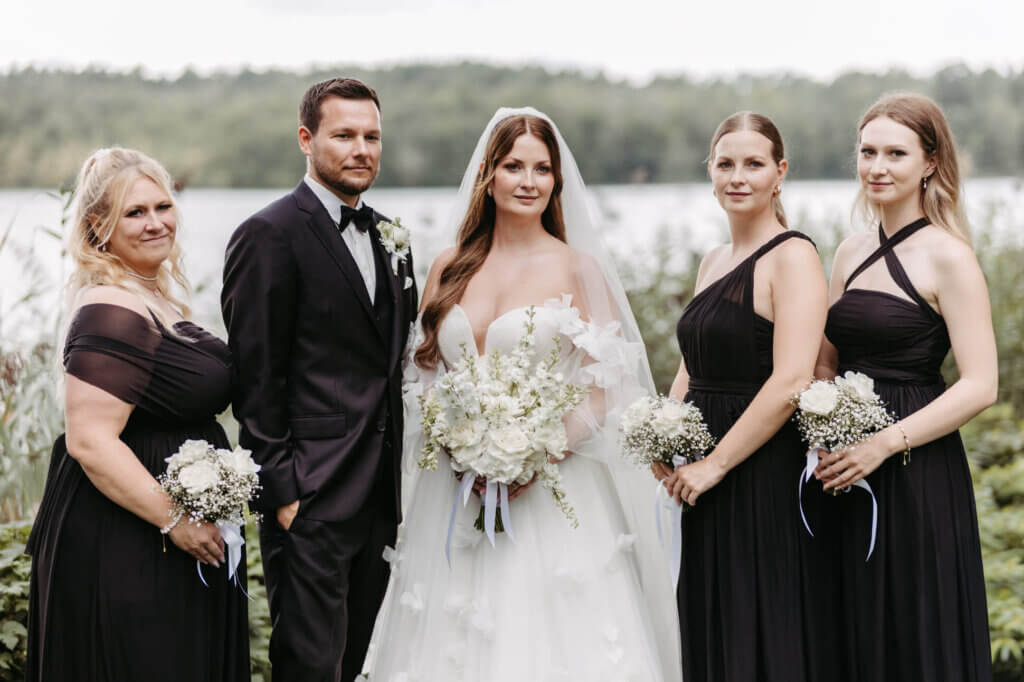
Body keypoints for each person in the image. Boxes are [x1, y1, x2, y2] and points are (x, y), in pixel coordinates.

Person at [360, 107, 681, 681]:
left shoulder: (576, 268)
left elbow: (606, 384)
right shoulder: (449, 267)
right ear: (489, 174)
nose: (528, 182)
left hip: (552, 490)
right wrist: (461, 447)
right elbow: (423, 373)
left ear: (557, 180)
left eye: (542, 169)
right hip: (456, 491)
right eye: (513, 167)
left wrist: (537, 451)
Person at [25, 147, 249, 682]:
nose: (156, 223)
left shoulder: (151, 298)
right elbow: (90, 441)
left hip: (163, 532)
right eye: (135, 212)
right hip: (128, 540)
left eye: (163, 207)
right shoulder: (111, 310)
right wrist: (176, 519)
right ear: (98, 227)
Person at [221, 77, 418, 682]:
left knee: (364, 662)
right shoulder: (269, 234)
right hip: (310, 497)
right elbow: (256, 378)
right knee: (309, 666)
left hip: (381, 497)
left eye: (371, 137)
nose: (362, 150)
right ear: (306, 140)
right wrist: (283, 493)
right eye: (344, 136)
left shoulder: (394, 240)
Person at [813, 92, 996, 681]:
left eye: (896, 152)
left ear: (930, 163)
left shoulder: (950, 257)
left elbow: (980, 385)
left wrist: (883, 444)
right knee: (850, 625)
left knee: (916, 628)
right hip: (843, 468)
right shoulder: (848, 252)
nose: (878, 167)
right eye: (868, 152)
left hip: (917, 468)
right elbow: (823, 366)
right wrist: (824, 434)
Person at [660, 112, 830, 682]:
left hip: (759, 473)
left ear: (780, 172)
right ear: (709, 170)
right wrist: (662, 434)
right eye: (726, 163)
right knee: (709, 620)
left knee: (759, 623)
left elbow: (792, 380)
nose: (738, 176)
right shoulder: (713, 260)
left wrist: (714, 464)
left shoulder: (794, 256)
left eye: (754, 164)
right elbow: (692, 367)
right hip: (702, 478)